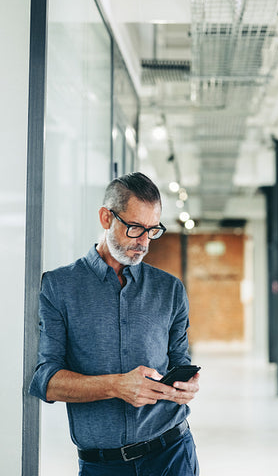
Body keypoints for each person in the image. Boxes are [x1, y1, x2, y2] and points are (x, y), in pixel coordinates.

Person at [29, 172, 200, 475]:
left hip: (172, 455)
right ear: (106, 218)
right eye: (135, 228)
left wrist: (186, 387)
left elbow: (180, 362)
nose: (144, 242)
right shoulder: (59, 287)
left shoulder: (170, 290)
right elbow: (47, 381)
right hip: (102, 465)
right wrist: (117, 386)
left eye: (152, 230)